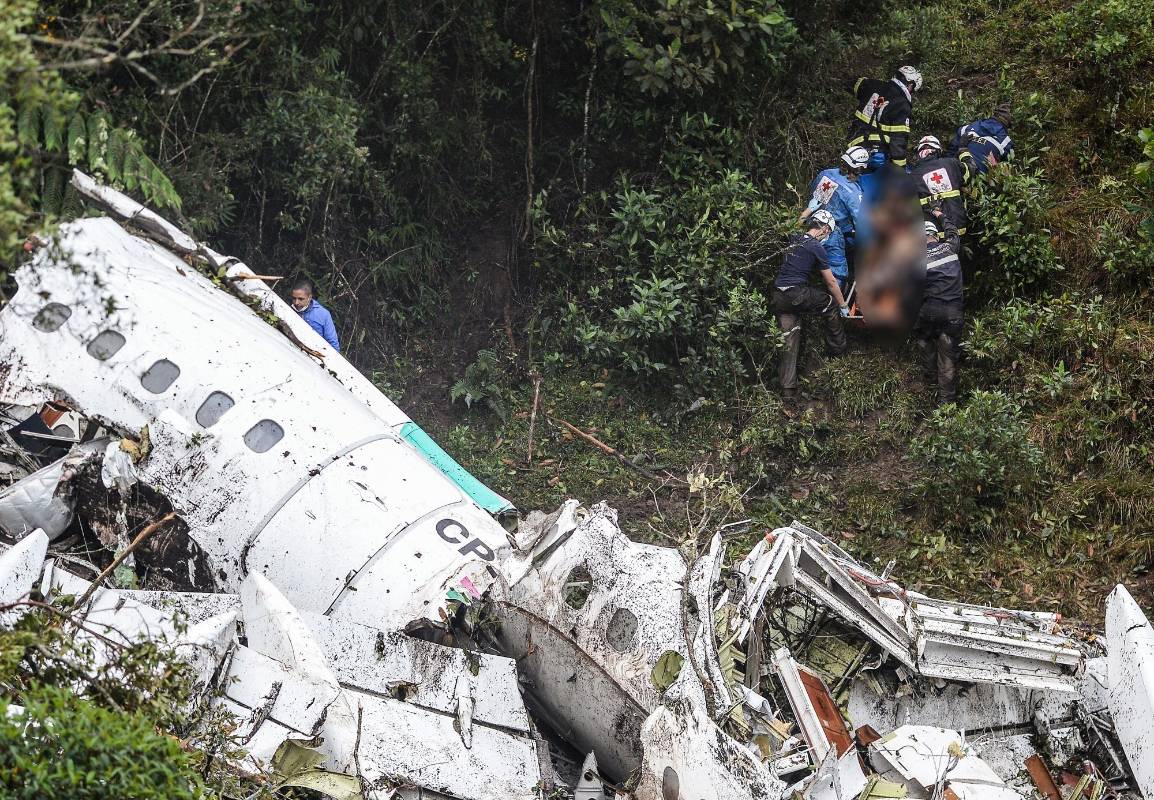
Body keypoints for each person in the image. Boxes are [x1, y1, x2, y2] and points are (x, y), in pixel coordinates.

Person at [771, 210, 849, 404]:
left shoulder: (794, 236)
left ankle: (788, 394)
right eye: (828, 232)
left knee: (790, 337)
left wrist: (807, 210)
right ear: (823, 228)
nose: (827, 235)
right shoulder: (816, 247)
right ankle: (839, 352)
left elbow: (796, 224)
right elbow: (831, 282)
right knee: (829, 304)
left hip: (778, 296)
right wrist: (843, 304)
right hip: (795, 293)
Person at [798, 146, 870, 289]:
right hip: (833, 233)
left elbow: (817, 201)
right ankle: (836, 305)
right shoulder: (853, 192)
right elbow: (862, 224)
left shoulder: (827, 174)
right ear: (860, 168)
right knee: (838, 273)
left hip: (813, 225)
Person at [913, 208, 964, 405]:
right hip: (953, 315)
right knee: (948, 357)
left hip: (930, 312)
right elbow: (953, 231)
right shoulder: (951, 247)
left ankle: (928, 375)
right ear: (935, 235)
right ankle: (946, 403)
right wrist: (939, 214)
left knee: (923, 337)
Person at [847, 65, 923, 167]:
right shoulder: (902, 104)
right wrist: (900, 167)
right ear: (910, 84)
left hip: (853, 144)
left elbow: (851, 83)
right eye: (912, 89)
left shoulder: (872, 85)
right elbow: (898, 138)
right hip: (876, 154)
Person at [909, 134, 975, 235]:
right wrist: (963, 148)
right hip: (958, 229)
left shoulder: (912, 177)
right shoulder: (951, 164)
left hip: (932, 235)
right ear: (938, 151)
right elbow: (971, 170)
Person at [948, 103, 1014, 174]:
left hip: (952, 169)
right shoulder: (1006, 142)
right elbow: (1005, 168)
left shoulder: (969, 127)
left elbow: (951, 149)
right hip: (977, 177)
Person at [290, 279, 341, 352]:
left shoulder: (323, 314)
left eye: (301, 299)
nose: (296, 302)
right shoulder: (288, 309)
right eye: (294, 298)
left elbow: (333, 343)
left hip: (316, 354)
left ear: (309, 297)